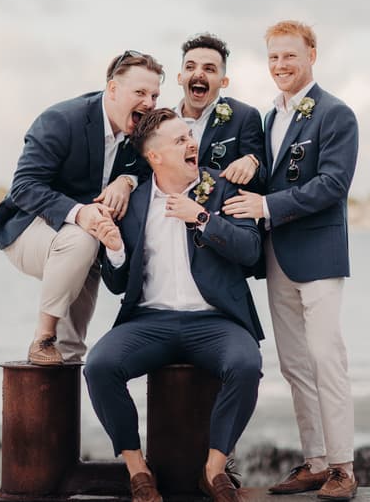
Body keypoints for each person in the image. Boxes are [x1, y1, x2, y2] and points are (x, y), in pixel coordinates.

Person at [84, 108, 264, 502]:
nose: (191, 144)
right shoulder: (133, 201)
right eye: (180, 140)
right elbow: (117, 285)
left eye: (190, 137)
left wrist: (201, 217)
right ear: (155, 157)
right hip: (150, 321)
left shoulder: (222, 188)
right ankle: (137, 469)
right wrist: (114, 251)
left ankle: (214, 469)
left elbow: (251, 251)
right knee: (99, 367)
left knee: (247, 365)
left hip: (216, 321)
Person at [223, 20, 360, 501]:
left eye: (289, 56)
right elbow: (266, 176)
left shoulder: (336, 114)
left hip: (319, 255)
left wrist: (266, 206)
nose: (280, 65)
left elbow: (332, 185)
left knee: (327, 359)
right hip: (276, 254)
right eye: (273, 58)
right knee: (295, 365)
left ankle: (344, 468)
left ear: (311, 55)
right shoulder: (266, 119)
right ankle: (317, 462)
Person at [0, 51, 164, 365]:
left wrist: (127, 180)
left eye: (154, 95)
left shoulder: (141, 130)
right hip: (29, 229)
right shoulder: (61, 119)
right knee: (81, 239)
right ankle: (42, 337)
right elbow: (24, 187)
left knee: (71, 350)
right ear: (112, 90)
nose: (149, 102)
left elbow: (154, 171)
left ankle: (61, 403)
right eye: (140, 93)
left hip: (89, 243)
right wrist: (80, 213)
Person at [175, 33, 265, 191]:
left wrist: (253, 162)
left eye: (209, 69)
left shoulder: (244, 116)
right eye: (190, 67)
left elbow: (261, 179)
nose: (198, 74)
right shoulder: (161, 122)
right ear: (180, 77)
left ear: (224, 82)